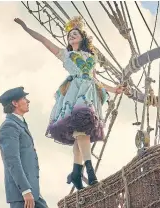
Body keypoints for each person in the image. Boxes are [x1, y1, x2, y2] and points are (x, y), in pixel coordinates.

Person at [14, 16, 126, 191]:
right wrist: (26, 27)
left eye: (75, 34)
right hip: (75, 94)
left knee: (81, 134)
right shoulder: (66, 55)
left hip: (89, 94)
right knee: (81, 131)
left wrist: (114, 89)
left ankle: (76, 172)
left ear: (82, 37)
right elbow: (44, 40)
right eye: (69, 35)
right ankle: (89, 171)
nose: (71, 36)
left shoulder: (91, 56)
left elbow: (95, 79)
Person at [0, 87, 62, 208]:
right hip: (22, 192)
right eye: (24, 98)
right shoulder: (8, 126)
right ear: (15, 103)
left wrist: (31, 191)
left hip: (33, 192)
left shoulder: (20, 124)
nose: (28, 101)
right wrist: (25, 190)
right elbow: (12, 161)